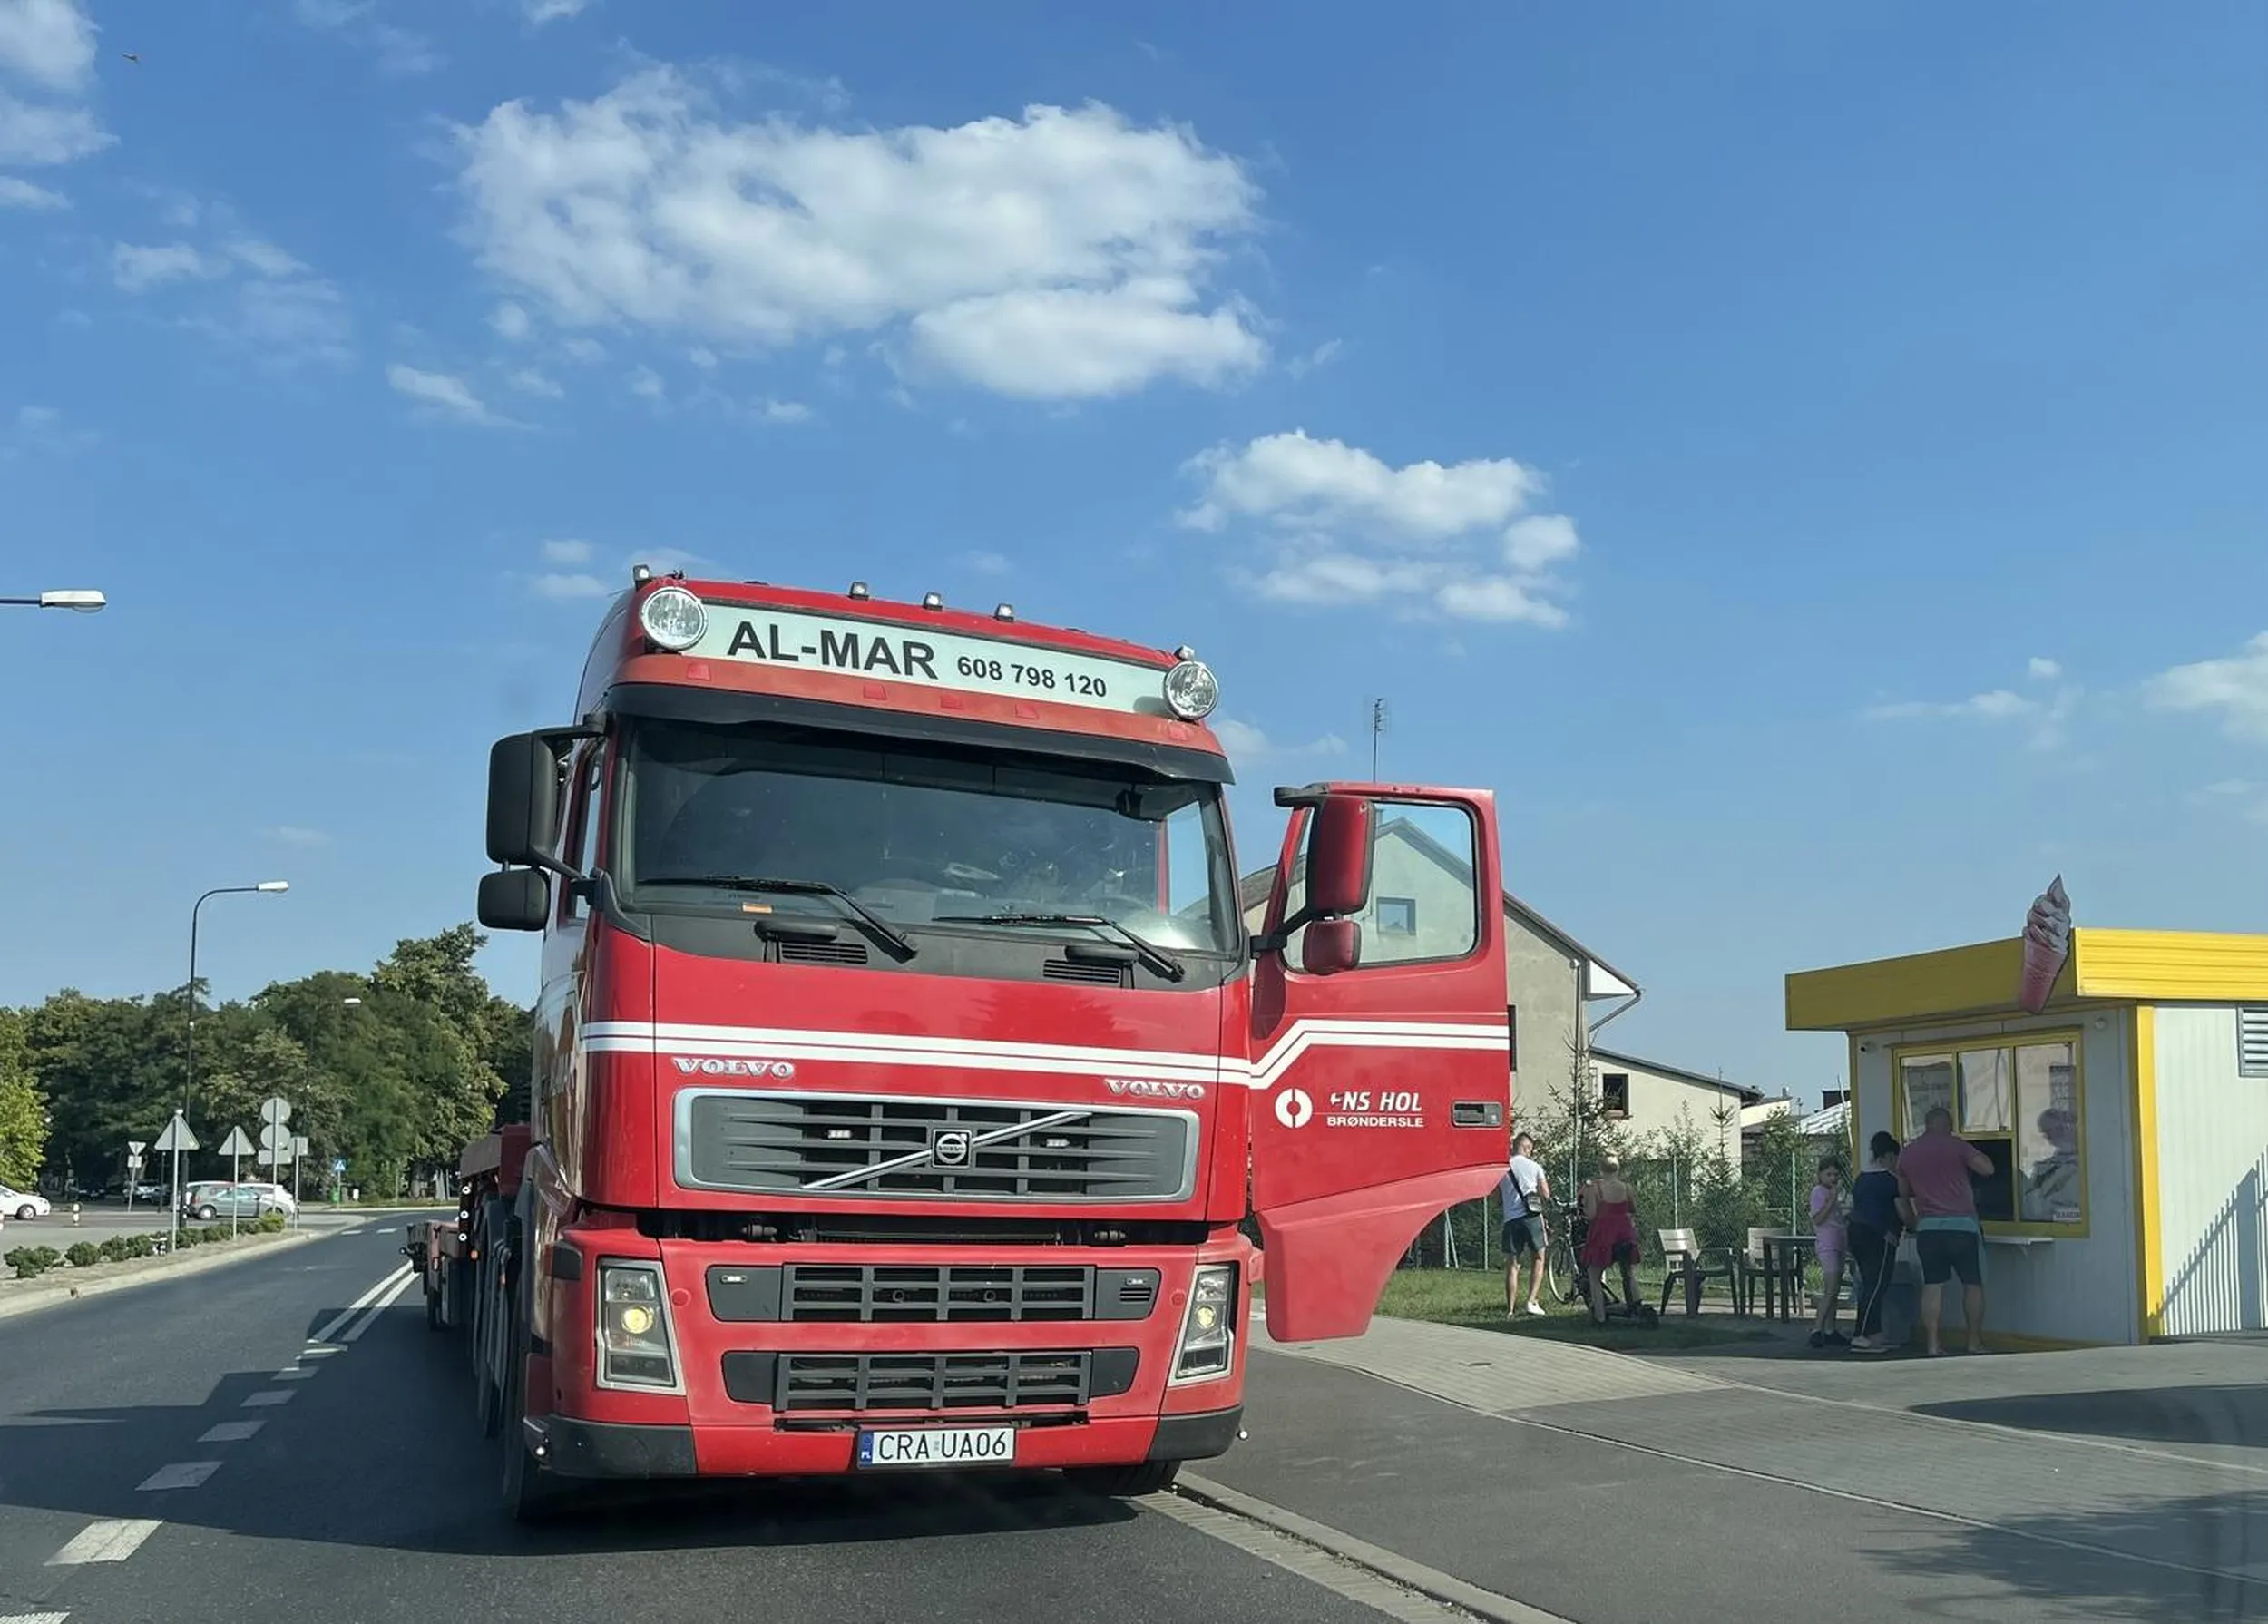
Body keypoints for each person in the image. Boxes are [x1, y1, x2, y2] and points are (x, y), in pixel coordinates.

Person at [1898, 1106, 1995, 1355]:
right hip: (1962, 1226)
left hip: (1928, 1228)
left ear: (1926, 1125)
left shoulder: (1908, 1153)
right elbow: (1988, 1169)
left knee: (1933, 1284)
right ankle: (1973, 1342)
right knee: (1972, 1284)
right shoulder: (1957, 1145)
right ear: (1948, 1125)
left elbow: (1902, 1192)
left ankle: (1933, 1344)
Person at [1847, 1130, 1909, 1354]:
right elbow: (1902, 1209)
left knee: (1868, 1285)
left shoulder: (1861, 1178)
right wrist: (1914, 1224)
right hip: (1879, 1237)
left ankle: (1874, 1335)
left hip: (1855, 1234)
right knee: (1877, 1286)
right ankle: (1862, 1334)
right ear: (1890, 1156)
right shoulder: (1891, 1181)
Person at [1578, 1154, 1642, 1324]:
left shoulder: (1595, 1188)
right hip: (1625, 1234)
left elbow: (1591, 1215)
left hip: (1603, 1236)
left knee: (1594, 1275)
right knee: (1628, 1273)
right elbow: (1632, 1209)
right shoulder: (1627, 1188)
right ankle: (1637, 1308)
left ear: (1601, 1169)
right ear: (1618, 1169)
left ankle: (1600, 1317)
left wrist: (1585, 1207)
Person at [1499, 1132, 1551, 1318]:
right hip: (1531, 1217)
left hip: (1510, 1219)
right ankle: (1531, 1300)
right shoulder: (1535, 1167)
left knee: (1513, 1264)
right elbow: (1546, 1194)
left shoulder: (1503, 1167)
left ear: (1515, 1146)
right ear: (1527, 1148)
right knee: (1539, 1257)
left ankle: (1510, 1309)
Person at [1807, 1155, 1850, 1349]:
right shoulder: (1819, 1192)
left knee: (1836, 1289)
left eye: (1836, 1175)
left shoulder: (1837, 1193)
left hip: (1840, 1242)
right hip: (1827, 1244)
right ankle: (1817, 1328)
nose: (1832, 1178)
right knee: (1831, 1289)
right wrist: (1831, 1201)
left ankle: (1831, 1329)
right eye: (1828, 1174)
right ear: (1820, 1175)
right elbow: (1818, 1219)